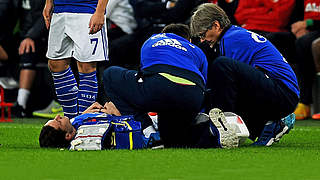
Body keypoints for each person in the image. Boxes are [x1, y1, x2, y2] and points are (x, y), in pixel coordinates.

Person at [103, 23, 240, 148]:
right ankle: (209, 130)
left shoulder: (152, 40)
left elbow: (143, 74)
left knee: (110, 74)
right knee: (173, 140)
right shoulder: (196, 50)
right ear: (189, 40)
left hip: (160, 86)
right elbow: (203, 85)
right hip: (192, 95)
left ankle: (147, 131)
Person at [190, 3, 299, 146]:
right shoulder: (233, 35)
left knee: (222, 68)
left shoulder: (232, 40)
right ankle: (265, 128)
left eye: (203, 34)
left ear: (216, 25)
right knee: (219, 85)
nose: (203, 40)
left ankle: (226, 127)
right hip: (279, 89)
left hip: (283, 93)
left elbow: (233, 86)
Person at [42, 0, 109, 119]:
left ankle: (83, 121)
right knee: (55, 65)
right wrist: (48, 2)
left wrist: (100, 10)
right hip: (60, 9)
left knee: (87, 67)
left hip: (87, 9)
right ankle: (71, 119)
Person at [11, 0, 50, 117]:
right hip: (21, 34)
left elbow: (46, 17)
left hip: (42, 37)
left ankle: (20, 104)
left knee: (27, 50)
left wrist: (30, 36)